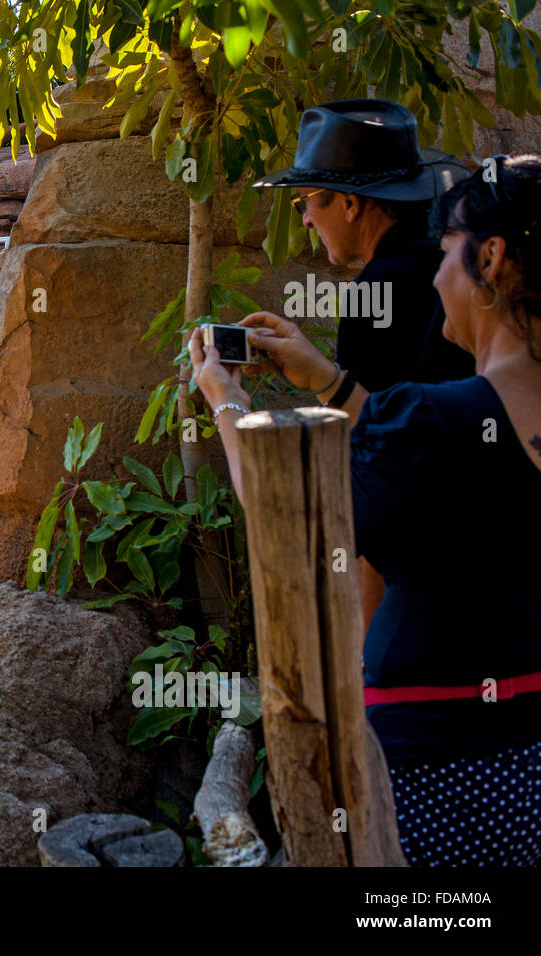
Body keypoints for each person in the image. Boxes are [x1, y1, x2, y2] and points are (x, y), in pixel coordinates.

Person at [190, 154, 541, 867]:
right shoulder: (451, 421)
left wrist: (226, 401)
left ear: (492, 257)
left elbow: (290, 536)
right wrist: (328, 379)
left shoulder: (435, 422)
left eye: (446, 254)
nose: (437, 277)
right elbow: (448, 452)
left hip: (431, 772)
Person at [249, 99, 474, 628]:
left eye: (306, 200)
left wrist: (366, 657)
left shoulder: (382, 287)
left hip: (422, 595)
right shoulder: (447, 266)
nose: (303, 218)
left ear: (350, 204)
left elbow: (381, 467)